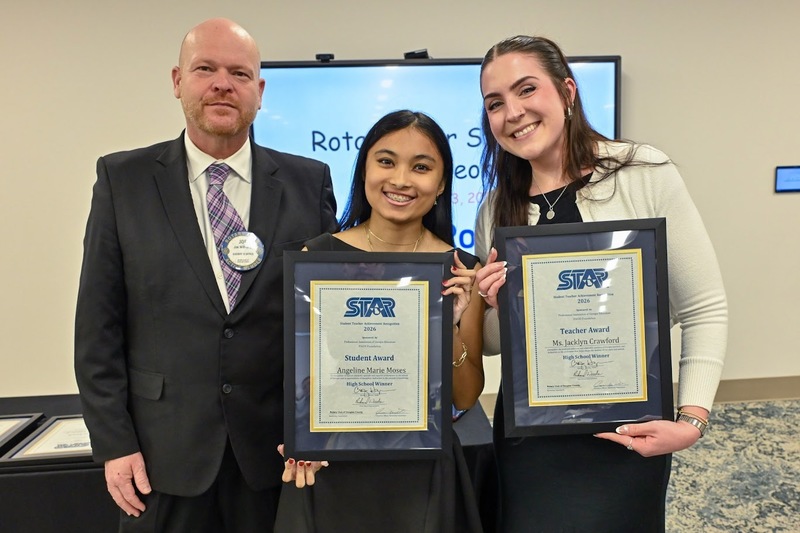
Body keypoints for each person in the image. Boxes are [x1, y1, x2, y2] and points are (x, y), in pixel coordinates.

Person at [74, 18, 337, 532]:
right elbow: (97, 329)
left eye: (239, 73)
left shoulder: (309, 183)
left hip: (277, 458)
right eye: (205, 69)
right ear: (178, 82)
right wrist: (114, 443)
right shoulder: (122, 180)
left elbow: (326, 323)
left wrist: (319, 429)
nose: (222, 83)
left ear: (258, 92)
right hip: (161, 458)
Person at [473, 35, 728, 532]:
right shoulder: (496, 209)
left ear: (567, 92)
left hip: (627, 433)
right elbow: (496, 345)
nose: (513, 112)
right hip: (530, 441)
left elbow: (705, 307)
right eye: (495, 103)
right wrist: (492, 304)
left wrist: (691, 420)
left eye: (527, 90)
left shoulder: (641, 172)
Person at [274, 110, 485, 533]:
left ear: (442, 183)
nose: (401, 180)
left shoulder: (462, 271)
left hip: (423, 474)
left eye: (421, 167)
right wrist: (301, 438)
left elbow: (464, 398)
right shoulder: (316, 260)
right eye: (386, 161)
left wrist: (449, 326)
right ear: (364, 169)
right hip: (333, 466)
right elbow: (302, 378)